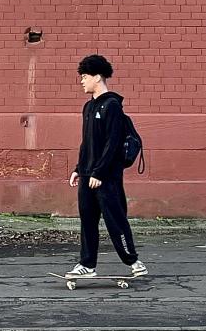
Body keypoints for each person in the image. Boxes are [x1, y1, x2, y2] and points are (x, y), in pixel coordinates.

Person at [67, 54, 147, 278]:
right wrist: (78, 169)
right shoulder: (88, 107)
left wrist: (99, 172)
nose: (82, 81)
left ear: (98, 77)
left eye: (84, 77)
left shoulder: (112, 106)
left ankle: (134, 261)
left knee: (115, 219)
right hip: (87, 175)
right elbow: (87, 143)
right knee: (88, 220)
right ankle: (87, 265)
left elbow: (112, 143)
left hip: (106, 177)